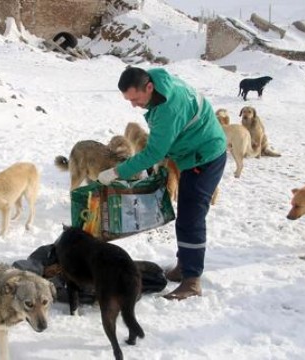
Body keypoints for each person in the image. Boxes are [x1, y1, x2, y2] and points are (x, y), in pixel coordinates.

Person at [97, 66, 227, 300]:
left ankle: (192, 279)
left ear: (148, 87)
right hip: (192, 151)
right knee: (187, 215)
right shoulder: (157, 80)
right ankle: (183, 265)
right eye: (128, 100)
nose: (134, 105)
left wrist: (117, 172)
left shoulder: (169, 109)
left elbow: (153, 152)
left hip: (204, 156)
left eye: (135, 98)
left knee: (191, 217)